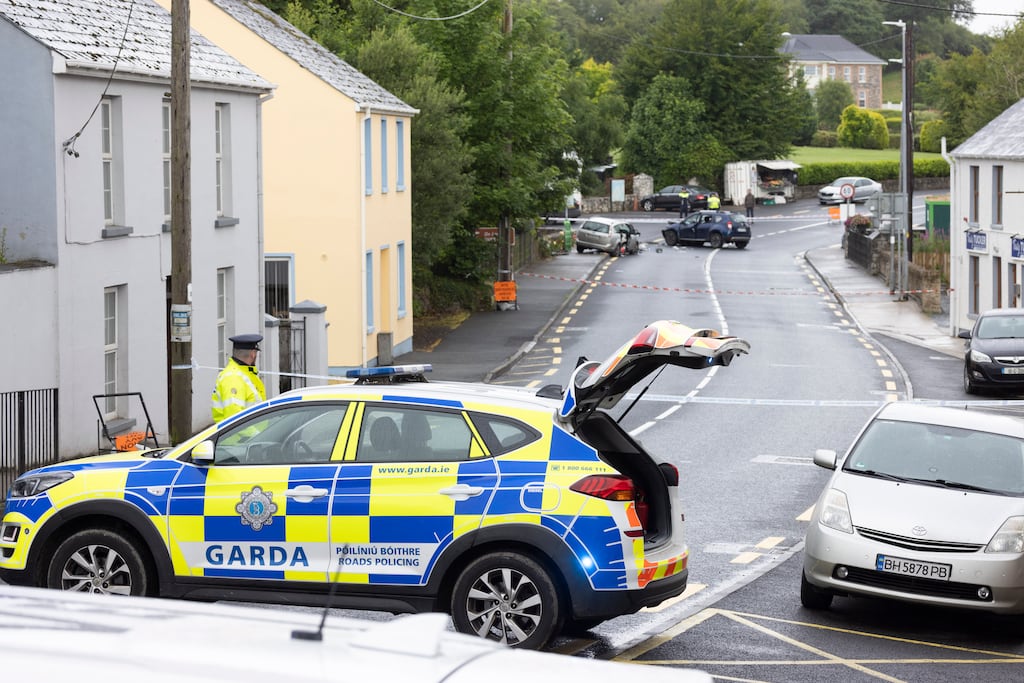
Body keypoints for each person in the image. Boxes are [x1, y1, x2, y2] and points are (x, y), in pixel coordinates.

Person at [211, 333, 266, 422]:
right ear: (253, 354)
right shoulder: (234, 378)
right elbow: (234, 417)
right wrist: (256, 435)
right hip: (245, 436)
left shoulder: (243, 374)